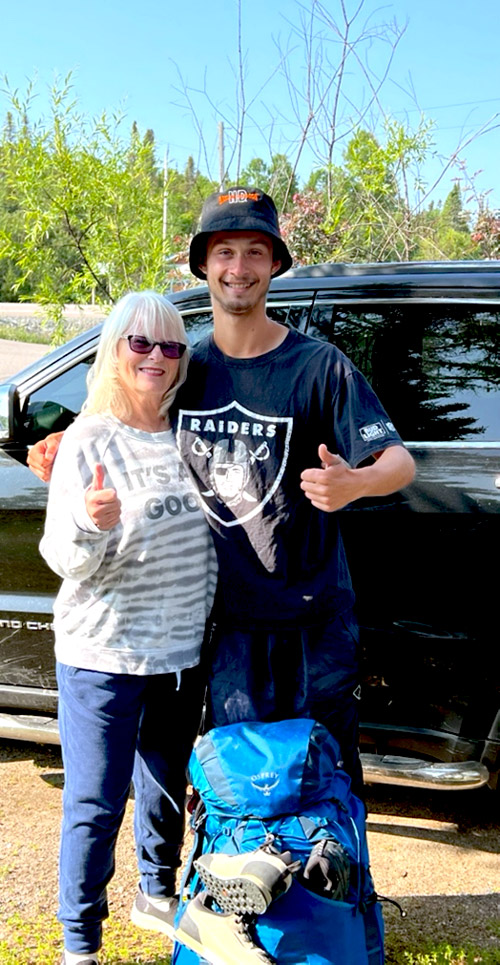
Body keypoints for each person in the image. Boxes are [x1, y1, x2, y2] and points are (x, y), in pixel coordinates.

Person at [30, 188, 415, 802]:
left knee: (328, 777)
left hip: (314, 621)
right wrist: (58, 444)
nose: (239, 267)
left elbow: (398, 462)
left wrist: (356, 482)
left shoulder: (319, 366)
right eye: (225, 252)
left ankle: (334, 898)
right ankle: (242, 897)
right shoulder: (185, 365)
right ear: (205, 265)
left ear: (274, 265)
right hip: (224, 625)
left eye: (255, 252)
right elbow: (120, 416)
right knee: (240, 783)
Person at [38, 291, 218, 965]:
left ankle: (156, 894)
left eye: (170, 346)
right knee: (95, 802)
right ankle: (80, 945)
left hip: (178, 654)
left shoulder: (186, 434)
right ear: (115, 347)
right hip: (104, 655)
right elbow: (61, 556)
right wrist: (94, 522)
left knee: (165, 785)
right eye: (139, 343)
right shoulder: (90, 437)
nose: (155, 357)